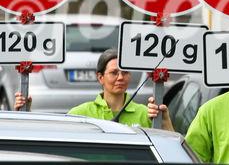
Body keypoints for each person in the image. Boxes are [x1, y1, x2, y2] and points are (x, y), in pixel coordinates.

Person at [15, 49, 174, 130]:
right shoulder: (80, 113)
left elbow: (169, 145)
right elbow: (51, 140)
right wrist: (25, 111)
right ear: (100, 78)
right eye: (113, 73)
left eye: (125, 72)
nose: (120, 77)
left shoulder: (146, 113)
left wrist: (165, 120)